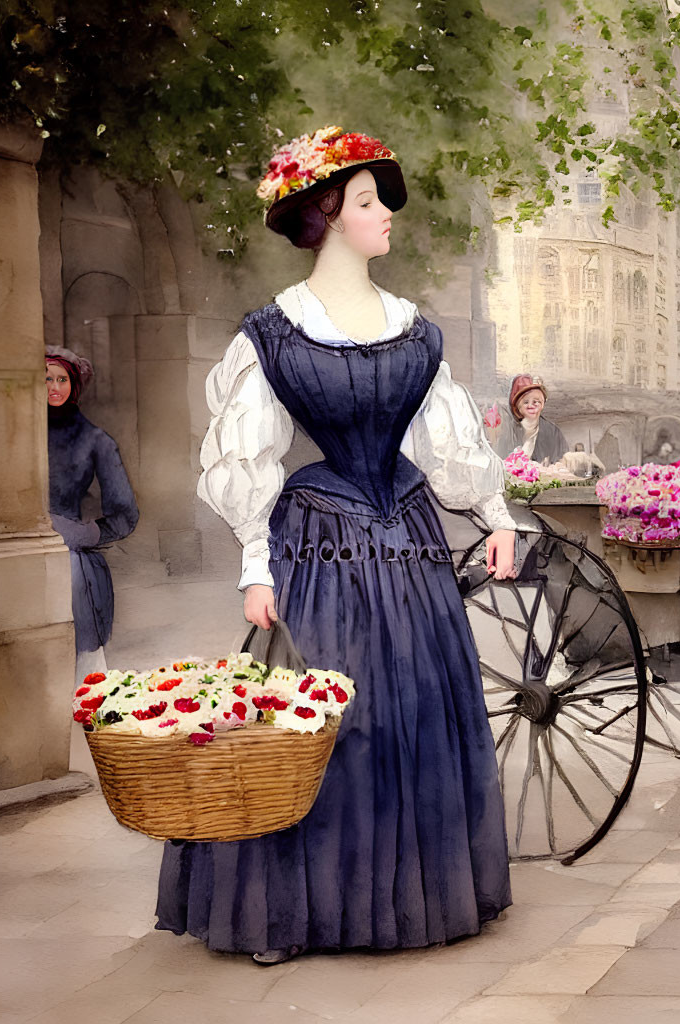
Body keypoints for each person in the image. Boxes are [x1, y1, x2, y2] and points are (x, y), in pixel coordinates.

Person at [156, 126, 515, 963]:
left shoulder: (415, 330)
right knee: (323, 727)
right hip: (318, 548)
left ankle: (417, 901)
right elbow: (249, 456)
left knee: (416, 713)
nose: (386, 213)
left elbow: (446, 443)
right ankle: (294, 914)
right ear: (326, 215)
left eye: (382, 199)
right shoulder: (273, 335)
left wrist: (496, 514)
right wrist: (255, 563)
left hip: (411, 549)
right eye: (366, 201)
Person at [45, 346, 138, 680]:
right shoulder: (13, 440)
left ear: (74, 386)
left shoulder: (95, 440)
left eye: (61, 380)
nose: (53, 387)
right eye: (45, 379)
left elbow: (125, 515)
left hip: (73, 565)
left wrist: (81, 534)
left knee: (83, 676)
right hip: (21, 560)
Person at [502, 373, 569, 465]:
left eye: (536, 401)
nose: (531, 406)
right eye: (526, 402)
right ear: (517, 406)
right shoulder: (506, 430)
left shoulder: (553, 432)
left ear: (542, 404)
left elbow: (561, 463)